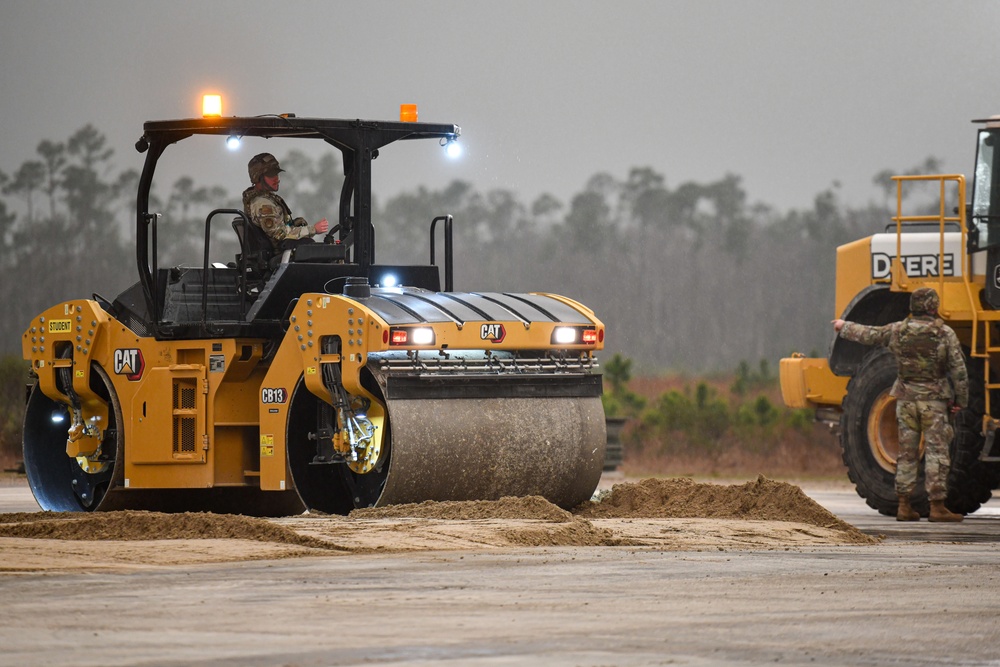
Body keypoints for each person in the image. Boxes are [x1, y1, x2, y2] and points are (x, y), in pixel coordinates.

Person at [833, 287, 968, 522]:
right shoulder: (944, 334)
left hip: (905, 401)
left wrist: (843, 327)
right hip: (933, 403)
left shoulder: (899, 330)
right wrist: (960, 401)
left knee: (906, 454)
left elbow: (870, 335)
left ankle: (904, 506)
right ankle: (937, 507)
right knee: (937, 453)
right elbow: (959, 371)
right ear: (933, 307)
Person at [241, 153, 329, 250]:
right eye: (271, 175)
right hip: (280, 254)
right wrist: (313, 229)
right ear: (257, 177)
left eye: (277, 174)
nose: (277, 179)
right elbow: (280, 234)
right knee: (311, 247)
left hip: (280, 252)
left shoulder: (265, 199)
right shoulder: (263, 204)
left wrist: (294, 224)